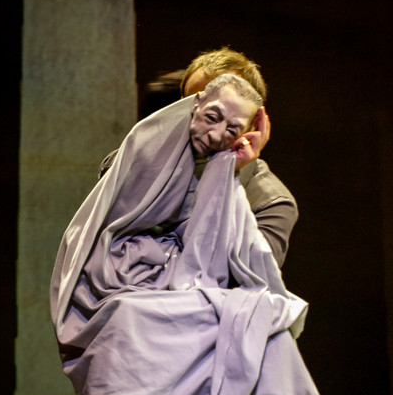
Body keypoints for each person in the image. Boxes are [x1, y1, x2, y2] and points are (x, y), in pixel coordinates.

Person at [7, 74, 393, 395]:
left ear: (254, 126)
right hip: (138, 280)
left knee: (259, 318)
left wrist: (231, 177)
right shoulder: (153, 148)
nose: (212, 131)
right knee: (131, 316)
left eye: (231, 124)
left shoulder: (267, 193)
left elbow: (250, 269)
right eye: (204, 111)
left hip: (209, 297)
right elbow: (113, 216)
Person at [99, 47, 298, 267]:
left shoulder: (270, 202)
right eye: (193, 106)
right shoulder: (136, 165)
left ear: (254, 122)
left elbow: (242, 274)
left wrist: (224, 175)